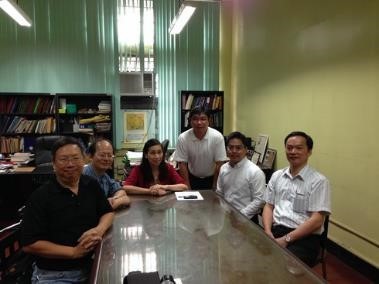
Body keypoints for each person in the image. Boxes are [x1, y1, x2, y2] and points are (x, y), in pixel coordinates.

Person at [21, 136, 114, 283]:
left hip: (93, 266)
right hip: (55, 275)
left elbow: (107, 212)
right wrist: (73, 252)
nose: (70, 164)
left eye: (76, 158)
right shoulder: (41, 196)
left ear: (84, 161)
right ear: (53, 164)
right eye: (64, 159)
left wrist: (99, 230)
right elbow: (29, 244)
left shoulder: (91, 185)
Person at [262, 131, 331, 266]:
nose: (293, 151)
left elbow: (317, 220)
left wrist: (286, 239)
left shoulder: (319, 181)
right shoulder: (277, 176)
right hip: (276, 230)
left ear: (309, 151)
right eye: (289, 148)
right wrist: (267, 232)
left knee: (282, 265)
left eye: (299, 148)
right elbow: (268, 206)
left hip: (304, 237)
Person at [216, 131, 266, 224]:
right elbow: (219, 193)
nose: (234, 151)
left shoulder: (255, 172)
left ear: (246, 149)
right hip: (226, 217)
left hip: (247, 219)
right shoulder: (223, 168)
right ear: (226, 149)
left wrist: (240, 215)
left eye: (238, 148)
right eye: (231, 147)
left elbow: (259, 200)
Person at [174, 106, 227, 190]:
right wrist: (187, 185)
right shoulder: (183, 137)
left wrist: (215, 185)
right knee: (191, 203)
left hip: (212, 178)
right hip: (191, 177)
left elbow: (219, 164)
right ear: (190, 121)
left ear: (209, 121)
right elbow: (182, 164)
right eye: (195, 119)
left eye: (203, 119)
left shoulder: (217, 137)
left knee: (211, 202)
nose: (199, 122)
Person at [123, 139, 188, 195]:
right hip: (144, 205)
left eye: (159, 152)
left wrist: (164, 187)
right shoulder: (138, 170)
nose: (157, 156)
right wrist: (149, 191)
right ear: (146, 155)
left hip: (165, 205)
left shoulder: (168, 168)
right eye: (152, 153)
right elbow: (126, 188)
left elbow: (184, 186)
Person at [84, 138, 130, 210]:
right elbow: (95, 207)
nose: (106, 159)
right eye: (102, 155)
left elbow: (122, 193)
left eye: (110, 155)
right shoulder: (84, 176)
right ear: (90, 156)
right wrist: (118, 201)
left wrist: (115, 199)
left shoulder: (104, 176)